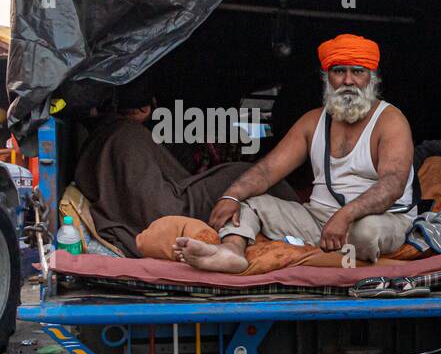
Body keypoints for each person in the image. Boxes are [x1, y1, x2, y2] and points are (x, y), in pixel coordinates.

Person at [175, 34, 415, 272]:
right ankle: (232, 251)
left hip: (381, 219)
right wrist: (231, 196)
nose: (348, 81)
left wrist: (345, 216)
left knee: (365, 233)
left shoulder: (390, 120)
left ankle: (328, 255)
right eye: (339, 71)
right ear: (327, 78)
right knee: (247, 204)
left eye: (358, 72)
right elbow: (268, 171)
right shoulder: (312, 121)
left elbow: (392, 185)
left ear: (372, 78)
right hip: (319, 219)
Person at [72, 75, 294, 257]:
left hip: (173, 202)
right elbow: (162, 206)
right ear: (144, 109)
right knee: (252, 181)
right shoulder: (125, 137)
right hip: (176, 209)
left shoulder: (110, 137)